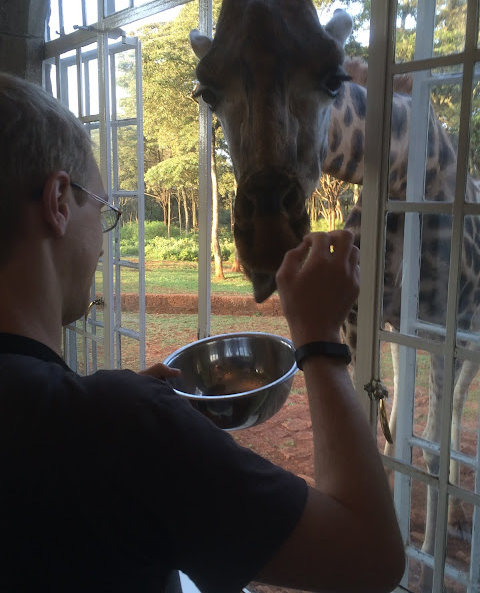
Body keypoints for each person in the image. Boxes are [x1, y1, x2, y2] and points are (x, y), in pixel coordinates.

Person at [0, 71, 405, 593]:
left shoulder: (96, 422)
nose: (102, 246)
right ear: (59, 202)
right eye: (102, 211)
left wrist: (111, 409)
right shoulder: (121, 429)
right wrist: (321, 341)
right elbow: (370, 558)